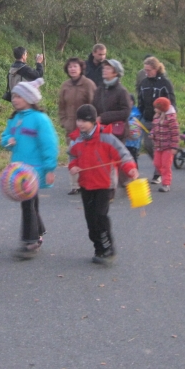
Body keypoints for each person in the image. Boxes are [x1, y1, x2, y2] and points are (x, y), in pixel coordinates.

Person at [68, 104, 137, 266]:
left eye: (84, 121)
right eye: (78, 120)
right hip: (86, 184)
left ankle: (108, 249)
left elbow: (123, 155)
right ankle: (98, 248)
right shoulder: (77, 139)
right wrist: (73, 166)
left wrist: (130, 168)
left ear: (93, 121)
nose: (80, 124)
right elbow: (73, 156)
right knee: (90, 219)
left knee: (100, 216)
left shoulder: (107, 138)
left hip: (105, 185)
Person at [1, 78, 58, 259]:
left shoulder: (40, 119)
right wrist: (7, 141)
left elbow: (49, 144)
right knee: (31, 204)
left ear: (29, 98)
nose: (15, 100)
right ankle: (37, 232)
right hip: (18, 171)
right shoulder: (15, 119)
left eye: (19, 96)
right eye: (14, 96)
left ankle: (31, 241)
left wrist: (49, 168)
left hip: (34, 172)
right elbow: (5, 136)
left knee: (28, 205)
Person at [57, 57, 96, 195]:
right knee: (73, 154)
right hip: (71, 127)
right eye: (70, 67)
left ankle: (88, 182)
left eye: (75, 66)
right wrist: (64, 121)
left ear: (81, 68)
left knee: (87, 155)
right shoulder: (65, 86)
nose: (72, 69)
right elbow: (61, 106)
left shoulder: (88, 84)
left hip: (87, 127)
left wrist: (92, 123)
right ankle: (75, 185)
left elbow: (94, 105)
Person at [136, 56, 176, 183]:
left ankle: (159, 173)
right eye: (145, 70)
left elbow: (171, 101)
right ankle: (161, 167)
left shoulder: (165, 83)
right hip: (147, 119)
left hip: (162, 120)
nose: (146, 72)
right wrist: (139, 114)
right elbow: (140, 101)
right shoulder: (143, 83)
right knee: (148, 145)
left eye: (149, 70)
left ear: (156, 69)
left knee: (159, 147)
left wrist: (169, 116)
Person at [92, 59, 132, 143]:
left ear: (115, 73)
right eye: (104, 68)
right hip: (101, 131)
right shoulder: (99, 89)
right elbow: (94, 106)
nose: (104, 70)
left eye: (108, 68)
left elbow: (126, 112)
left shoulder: (121, 91)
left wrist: (103, 117)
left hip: (116, 134)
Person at [149, 97, 179, 193]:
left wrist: (174, 146)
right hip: (158, 146)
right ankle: (164, 176)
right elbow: (154, 128)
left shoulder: (171, 118)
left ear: (162, 108)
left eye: (156, 108)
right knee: (157, 163)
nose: (154, 109)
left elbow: (175, 133)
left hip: (168, 147)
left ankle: (166, 183)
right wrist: (152, 134)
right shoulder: (156, 117)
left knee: (166, 165)